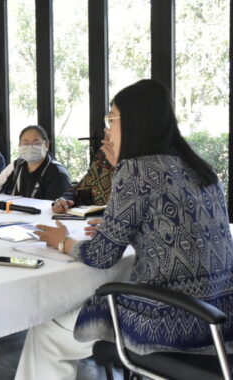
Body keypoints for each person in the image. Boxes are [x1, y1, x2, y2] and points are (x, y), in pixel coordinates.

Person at [16, 79, 233, 379]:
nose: (107, 130)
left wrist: (62, 241)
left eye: (111, 119)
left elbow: (102, 256)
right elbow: (171, 225)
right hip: (219, 321)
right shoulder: (201, 170)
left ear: (134, 121)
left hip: (171, 322)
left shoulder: (136, 169)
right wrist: (118, 226)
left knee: (46, 331)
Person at [0, 125, 70, 200]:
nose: (30, 147)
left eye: (36, 142)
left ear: (46, 145)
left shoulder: (57, 172)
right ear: (19, 145)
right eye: (25, 143)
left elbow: (58, 206)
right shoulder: (17, 164)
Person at [51, 136, 115, 213]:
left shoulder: (128, 163)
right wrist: (64, 200)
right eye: (106, 130)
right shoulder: (104, 156)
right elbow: (82, 190)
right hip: (93, 219)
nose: (107, 133)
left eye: (111, 129)